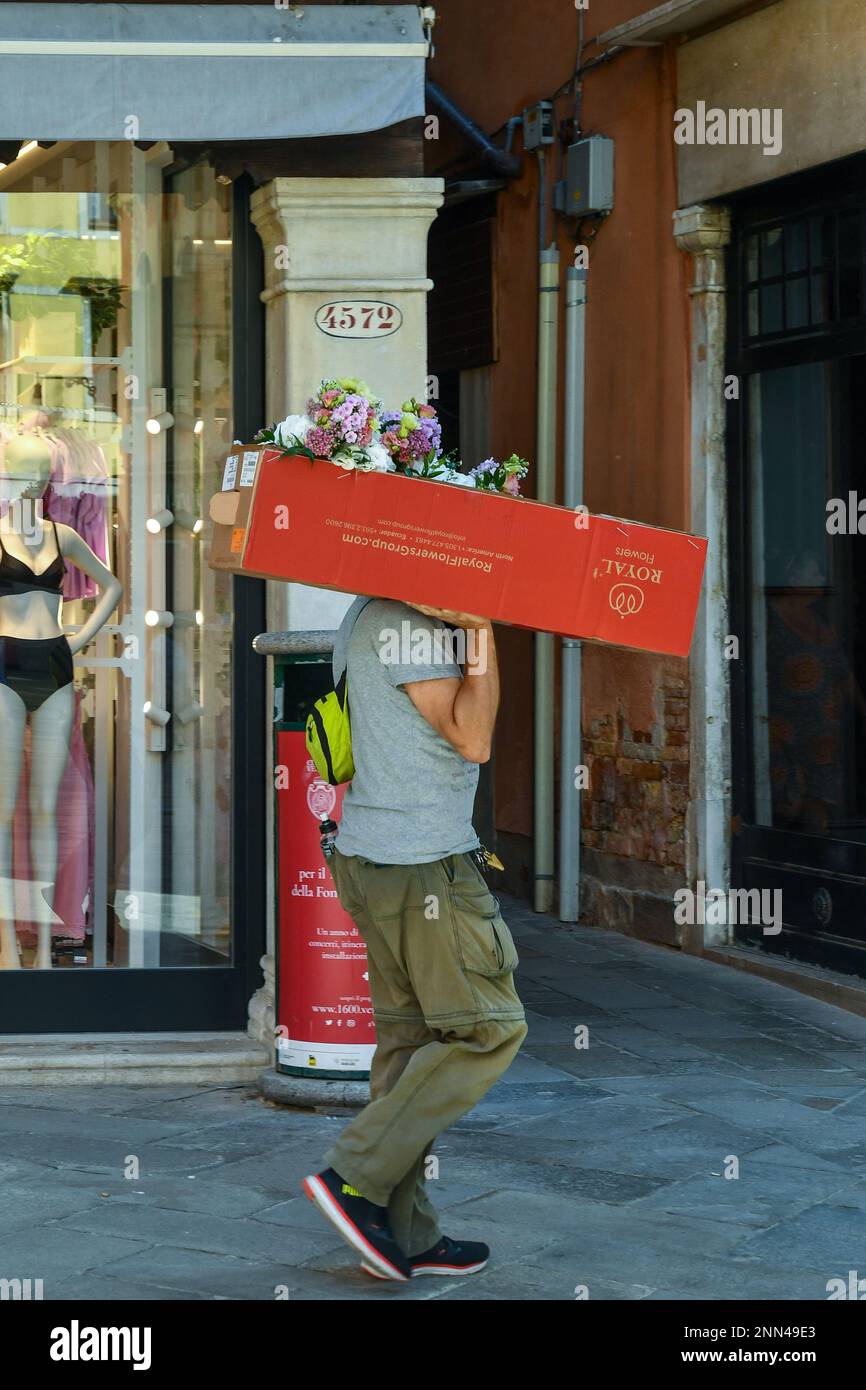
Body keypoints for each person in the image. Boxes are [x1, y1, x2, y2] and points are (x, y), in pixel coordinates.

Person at [303, 596, 527, 1281]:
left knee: (408, 1048)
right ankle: (353, 1175)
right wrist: (483, 632)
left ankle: (405, 1232)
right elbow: (473, 737)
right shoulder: (403, 624)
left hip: (377, 859)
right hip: (421, 868)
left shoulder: (370, 612)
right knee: (488, 1031)